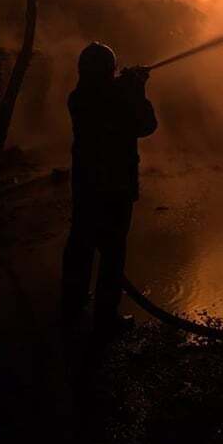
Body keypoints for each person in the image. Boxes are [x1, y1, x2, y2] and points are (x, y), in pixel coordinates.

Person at [61, 42, 157, 339]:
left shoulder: (77, 97)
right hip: (116, 188)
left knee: (81, 246)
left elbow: (103, 98)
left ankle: (71, 308)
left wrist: (125, 86)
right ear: (110, 70)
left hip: (86, 187)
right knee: (113, 253)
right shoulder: (117, 98)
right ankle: (105, 319)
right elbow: (146, 125)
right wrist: (137, 89)